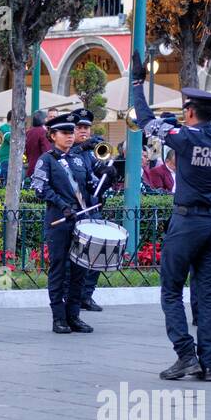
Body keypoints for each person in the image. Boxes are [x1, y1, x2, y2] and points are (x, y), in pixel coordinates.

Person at [131, 59, 211, 382]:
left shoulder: (186, 139)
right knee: (208, 295)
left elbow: (146, 122)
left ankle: (186, 355)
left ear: (190, 112)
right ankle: (210, 363)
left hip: (186, 223)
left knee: (171, 290)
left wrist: (137, 84)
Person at [31, 113, 93, 334]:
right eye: (65, 133)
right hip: (59, 221)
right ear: (52, 135)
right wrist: (62, 205)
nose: (70, 136)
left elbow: (89, 186)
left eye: (71, 132)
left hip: (81, 219)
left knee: (80, 268)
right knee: (58, 268)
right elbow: (39, 188)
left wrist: (106, 181)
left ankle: (74, 315)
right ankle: (58, 318)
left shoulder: (78, 159)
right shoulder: (46, 160)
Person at [68, 109, 114, 312]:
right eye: (79, 128)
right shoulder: (66, 149)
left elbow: (97, 180)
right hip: (74, 210)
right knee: (74, 259)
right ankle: (71, 299)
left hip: (92, 208)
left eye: (86, 128)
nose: (84, 132)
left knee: (96, 254)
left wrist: (108, 173)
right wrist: (81, 148)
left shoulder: (89, 153)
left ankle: (87, 296)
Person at [24, 110, 50, 179]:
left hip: (30, 167)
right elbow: (47, 151)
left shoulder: (28, 132)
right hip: (41, 168)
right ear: (43, 119)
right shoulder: (43, 132)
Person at [0, 113, 11, 184]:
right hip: (6, 159)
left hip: (13, 159)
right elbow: (10, 138)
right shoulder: (3, 128)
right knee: (6, 182)